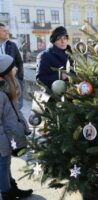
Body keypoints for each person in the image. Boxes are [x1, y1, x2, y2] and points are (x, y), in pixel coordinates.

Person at [0, 54, 33, 200]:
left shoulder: (7, 88)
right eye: (12, 67)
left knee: (6, 164)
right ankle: (6, 193)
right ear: (5, 71)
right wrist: (3, 143)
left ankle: (11, 187)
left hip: (9, 136)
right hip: (3, 139)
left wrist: (24, 126)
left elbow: (16, 111)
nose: (15, 68)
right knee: (3, 166)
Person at [0, 23, 24, 109]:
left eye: (7, 30)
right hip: (1, 81)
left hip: (13, 80)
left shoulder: (12, 45)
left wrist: (20, 77)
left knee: (17, 106)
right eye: (4, 31)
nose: (7, 32)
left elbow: (19, 62)